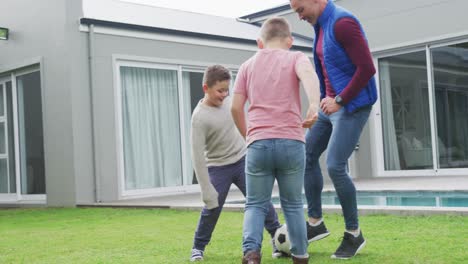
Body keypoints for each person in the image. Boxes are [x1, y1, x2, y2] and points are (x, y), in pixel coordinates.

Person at [289, 0, 378, 259]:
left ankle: (354, 233)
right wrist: (319, 105)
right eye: (296, 12)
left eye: (301, 10)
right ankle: (316, 223)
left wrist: (340, 100)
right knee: (306, 153)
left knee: (336, 166)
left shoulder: (343, 23)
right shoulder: (321, 25)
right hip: (331, 106)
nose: (300, 17)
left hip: (352, 106)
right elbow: (326, 70)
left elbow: (367, 69)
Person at [231, 17, 320, 264]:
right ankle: (301, 257)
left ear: (261, 42)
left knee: (255, 204)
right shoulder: (296, 58)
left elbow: (236, 108)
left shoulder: (247, 65)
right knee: (292, 204)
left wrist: (248, 135)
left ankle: (251, 255)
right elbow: (309, 75)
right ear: (289, 41)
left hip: (258, 143)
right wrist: (313, 104)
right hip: (292, 142)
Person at [189, 65, 282, 262]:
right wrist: (206, 189)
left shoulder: (231, 103)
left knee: (260, 200)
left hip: (242, 160)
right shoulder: (199, 117)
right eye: (219, 90)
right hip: (217, 166)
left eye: (226, 90)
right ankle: (198, 247)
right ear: (206, 88)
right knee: (212, 208)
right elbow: (197, 157)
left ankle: (277, 238)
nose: (224, 94)